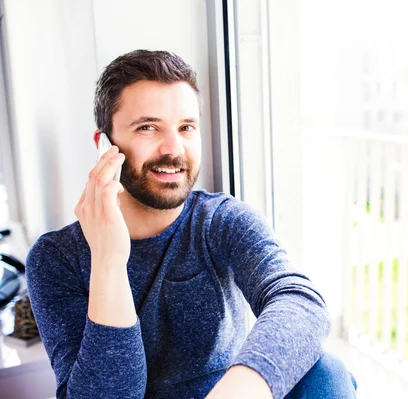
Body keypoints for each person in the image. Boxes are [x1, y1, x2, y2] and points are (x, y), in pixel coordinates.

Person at [25, 50, 357, 399]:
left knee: (327, 372)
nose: (174, 148)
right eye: (148, 127)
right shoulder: (56, 258)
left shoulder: (221, 221)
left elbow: (300, 301)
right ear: (105, 146)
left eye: (186, 128)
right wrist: (109, 261)